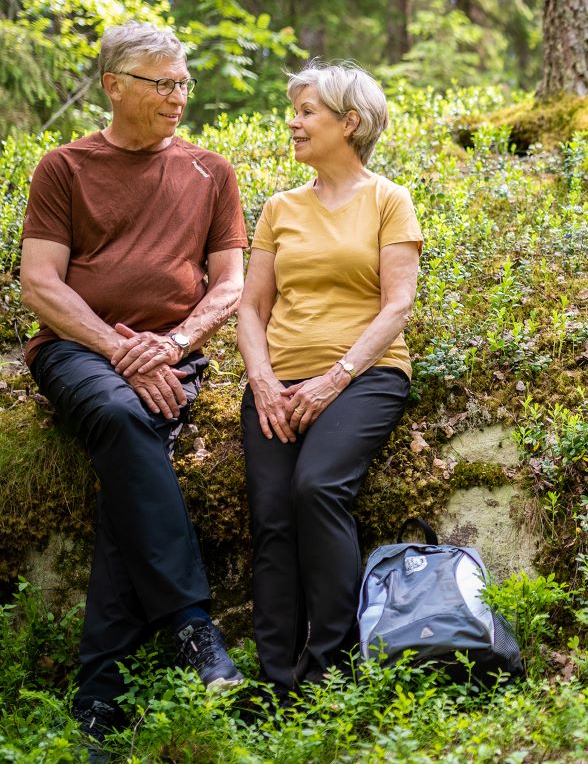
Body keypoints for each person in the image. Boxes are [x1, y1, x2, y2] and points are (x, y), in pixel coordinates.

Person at [19, 23, 248, 752]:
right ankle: (190, 625)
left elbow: (231, 285)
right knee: (125, 415)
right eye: (162, 84)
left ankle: (98, 700)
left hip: (171, 352)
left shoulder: (212, 170)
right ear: (115, 85)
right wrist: (121, 348)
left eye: (183, 83)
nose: (178, 97)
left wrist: (174, 345)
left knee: (130, 438)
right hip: (81, 349)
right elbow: (40, 283)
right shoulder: (64, 166)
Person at [237, 62, 421, 698]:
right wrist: (261, 379)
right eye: (294, 110)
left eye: (307, 111)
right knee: (271, 515)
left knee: (316, 488)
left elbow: (397, 305)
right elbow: (251, 307)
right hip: (278, 379)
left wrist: (335, 378)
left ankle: (328, 669)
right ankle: (275, 682)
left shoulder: (388, 199)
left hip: (366, 375)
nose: (294, 121)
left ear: (351, 123)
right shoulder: (279, 208)